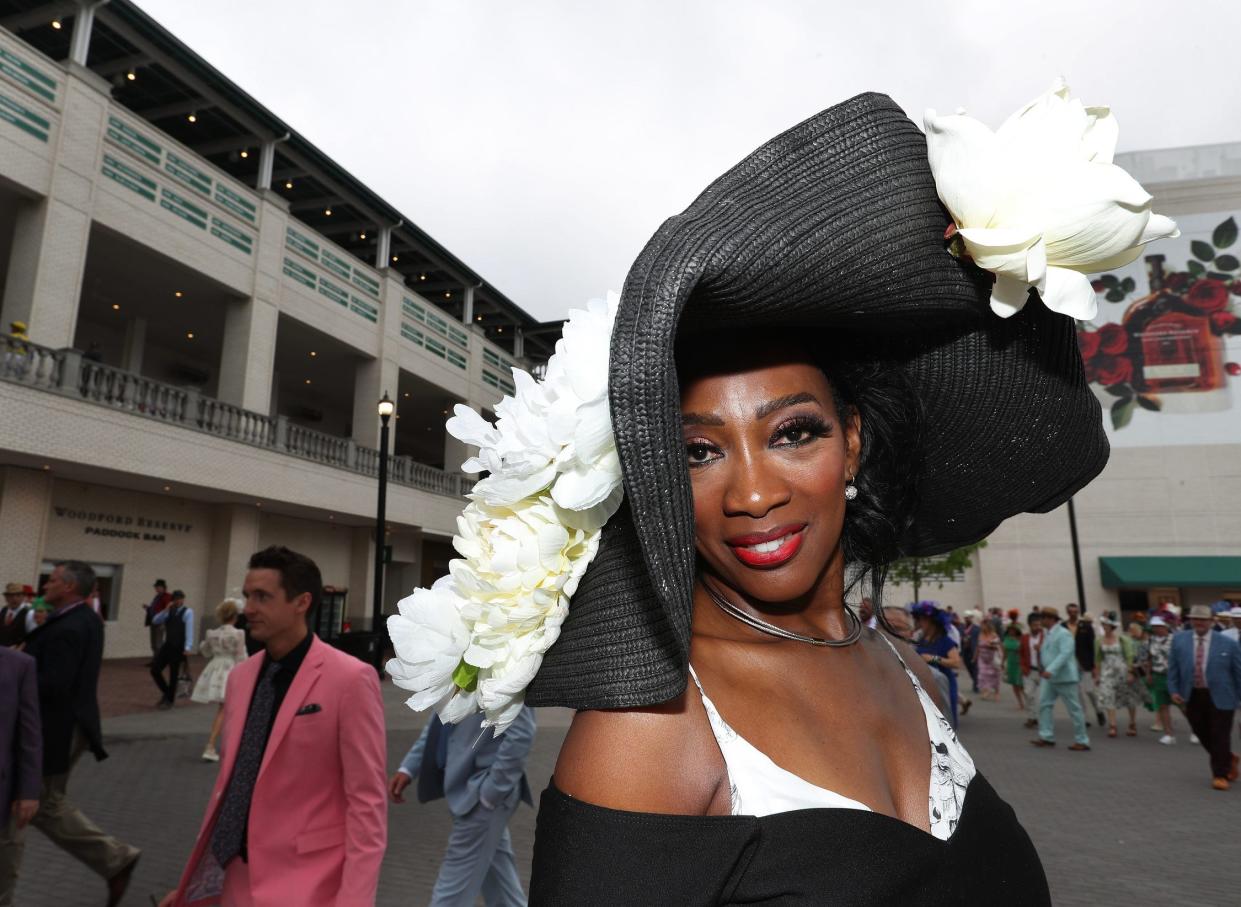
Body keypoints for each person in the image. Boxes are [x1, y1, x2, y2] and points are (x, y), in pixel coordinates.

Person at [376, 85, 1163, 905]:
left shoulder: (912, 675)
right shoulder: (649, 733)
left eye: (793, 432)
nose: (751, 492)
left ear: (851, 439)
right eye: (698, 451)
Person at [160, 546, 386, 906]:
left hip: (310, 882)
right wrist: (196, 886)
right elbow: (233, 787)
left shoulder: (350, 678)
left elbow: (367, 803)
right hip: (235, 877)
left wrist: (354, 900)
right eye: (248, 595)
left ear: (301, 602)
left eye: (263, 597)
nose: (248, 608)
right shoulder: (241, 678)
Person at [9, 562, 140, 906]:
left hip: (58, 729)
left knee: (38, 802)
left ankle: (116, 859)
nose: (45, 586)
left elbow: (53, 684)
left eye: (51, 581)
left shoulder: (71, 626)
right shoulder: (78, 620)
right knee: (43, 802)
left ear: (68, 587)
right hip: (65, 725)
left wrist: (16, 673)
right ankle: (115, 860)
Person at [389, 708, 536, 906]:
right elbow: (442, 717)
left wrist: (491, 793)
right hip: (472, 792)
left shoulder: (510, 674)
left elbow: (522, 733)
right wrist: (409, 767)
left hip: (481, 795)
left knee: (450, 896)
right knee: (502, 889)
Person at [1167, 605, 1241, 790]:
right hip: (1192, 694)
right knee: (1200, 731)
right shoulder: (1179, 640)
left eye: (1203, 619)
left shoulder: (1228, 644)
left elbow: (1238, 672)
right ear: (1190, 620)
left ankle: (1220, 775)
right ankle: (1227, 758)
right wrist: (1173, 690)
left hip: (1222, 695)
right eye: (1195, 619)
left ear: (1211, 621)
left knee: (1220, 735)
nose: (1199, 622)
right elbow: (1173, 668)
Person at [0, 646, 41, 907]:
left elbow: (30, 734)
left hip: (4, 792)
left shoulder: (18, 665)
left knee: (4, 873)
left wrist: (28, 791)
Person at [190, 598, 247, 762]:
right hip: (231, 669)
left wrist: (208, 646)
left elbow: (206, 652)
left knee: (226, 708)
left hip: (215, 668)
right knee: (226, 708)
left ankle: (221, 744)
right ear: (235, 616)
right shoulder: (238, 634)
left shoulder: (211, 633)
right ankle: (211, 745)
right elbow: (241, 657)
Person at [1031, 606, 1091, 751]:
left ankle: (1082, 740)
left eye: (1043, 618)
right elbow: (1053, 652)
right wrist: (1041, 652)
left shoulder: (1064, 633)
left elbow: (1065, 654)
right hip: (1050, 677)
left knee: (1074, 709)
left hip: (1064, 677)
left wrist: (1051, 669)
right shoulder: (1048, 633)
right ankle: (1046, 736)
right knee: (1044, 705)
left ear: (1050, 619)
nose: (1041, 621)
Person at [912, 602, 965, 726]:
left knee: (944, 720)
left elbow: (956, 663)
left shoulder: (945, 641)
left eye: (923, 620)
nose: (920, 623)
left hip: (943, 684)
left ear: (932, 623)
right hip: (924, 684)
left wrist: (933, 658)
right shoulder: (921, 640)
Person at [1092, 612, 1138, 738]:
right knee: (1107, 696)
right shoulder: (1098, 641)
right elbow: (1097, 658)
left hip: (1122, 669)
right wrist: (1097, 675)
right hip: (1107, 671)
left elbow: (1129, 656)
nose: (1104, 626)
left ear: (1112, 626)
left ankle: (1132, 723)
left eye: (1107, 624)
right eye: (1103, 624)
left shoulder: (1123, 639)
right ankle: (1113, 725)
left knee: (1128, 697)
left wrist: (1130, 672)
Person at [151, 590, 194, 710]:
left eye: (180, 598)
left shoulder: (188, 612)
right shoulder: (168, 611)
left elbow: (189, 629)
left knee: (173, 674)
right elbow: (155, 620)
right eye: (176, 599)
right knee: (155, 670)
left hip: (178, 646)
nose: (178, 601)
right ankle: (167, 692)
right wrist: (165, 609)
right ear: (173, 600)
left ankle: (169, 700)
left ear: (183, 599)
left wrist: (187, 647)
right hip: (168, 645)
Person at [1065, 604, 1102, 728]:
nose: (1073, 614)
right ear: (1067, 613)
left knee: (1089, 690)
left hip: (1085, 662)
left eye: (1075, 612)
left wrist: (1094, 666)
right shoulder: (1063, 627)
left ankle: (1098, 710)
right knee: (1077, 692)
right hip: (1070, 662)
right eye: (1071, 612)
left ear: (1078, 612)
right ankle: (1084, 717)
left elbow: (1092, 647)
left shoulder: (1086, 626)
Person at [1146, 616, 1178, 744]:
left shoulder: (1175, 639)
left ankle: (1196, 731)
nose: (1156, 629)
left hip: (1173, 676)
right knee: (1163, 705)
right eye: (1154, 627)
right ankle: (1169, 734)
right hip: (1158, 675)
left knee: (1183, 705)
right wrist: (1148, 674)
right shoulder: (1151, 640)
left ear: (1165, 626)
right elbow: (1149, 658)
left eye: (1158, 626)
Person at [1021, 612, 1044, 728]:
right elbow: (1021, 654)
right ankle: (1032, 717)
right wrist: (1023, 667)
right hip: (1029, 670)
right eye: (1035, 625)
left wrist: (1042, 649)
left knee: (1040, 697)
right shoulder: (1024, 638)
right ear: (1029, 625)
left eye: (1039, 625)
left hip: (1042, 671)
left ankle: (1041, 718)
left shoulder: (1045, 637)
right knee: (1029, 694)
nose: (1037, 627)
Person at [143, 579, 173, 662]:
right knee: (153, 643)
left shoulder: (167, 596)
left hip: (160, 622)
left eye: (158, 587)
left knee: (158, 642)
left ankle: (159, 660)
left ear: (163, 588)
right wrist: (148, 608)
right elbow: (155, 609)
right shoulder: (157, 597)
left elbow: (167, 610)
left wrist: (164, 622)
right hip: (153, 621)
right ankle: (155, 659)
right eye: (156, 587)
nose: (156, 589)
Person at [976, 619, 1003, 701]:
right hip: (982, 658)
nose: (982, 627)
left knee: (995, 675)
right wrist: (975, 657)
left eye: (983, 626)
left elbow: (998, 647)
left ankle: (996, 692)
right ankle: (986, 691)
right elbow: (978, 646)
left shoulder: (994, 635)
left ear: (988, 626)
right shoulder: (980, 634)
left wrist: (990, 646)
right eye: (981, 626)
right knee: (982, 674)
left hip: (992, 658)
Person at [1002, 621, 1026, 711]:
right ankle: (1020, 703)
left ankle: (1028, 700)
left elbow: (1025, 651)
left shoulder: (1021, 638)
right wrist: (1002, 662)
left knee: (1021, 684)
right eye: (1010, 630)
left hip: (1020, 662)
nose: (1011, 631)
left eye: (1013, 630)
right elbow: (1005, 652)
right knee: (1014, 685)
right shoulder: (1006, 638)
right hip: (1011, 663)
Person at [960, 610, 982, 694]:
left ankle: (976, 684)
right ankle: (975, 680)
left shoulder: (976, 628)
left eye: (968, 618)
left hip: (973, 650)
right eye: (966, 618)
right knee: (968, 667)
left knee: (975, 667)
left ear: (971, 618)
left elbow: (978, 640)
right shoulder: (962, 628)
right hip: (965, 651)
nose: (967, 619)